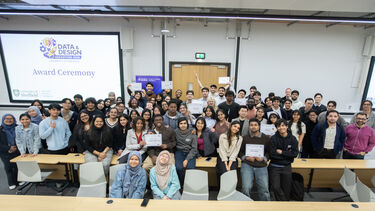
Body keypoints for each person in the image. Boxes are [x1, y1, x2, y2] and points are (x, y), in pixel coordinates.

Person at [239, 118, 271, 201]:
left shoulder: (266, 138)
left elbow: (269, 152)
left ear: (259, 126)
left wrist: (264, 158)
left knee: (264, 188)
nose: (253, 127)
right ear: (249, 126)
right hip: (247, 164)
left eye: (255, 125)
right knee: (246, 187)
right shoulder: (244, 138)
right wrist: (246, 157)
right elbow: (240, 152)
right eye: (251, 125)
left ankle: (265, 206)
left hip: (261, 165)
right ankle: (246, 205)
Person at [268, 119, 298, 201]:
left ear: (287, 126)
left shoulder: (293, 139)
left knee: (286, 188)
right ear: (276, 128)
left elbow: (295, 154)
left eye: (283, 125)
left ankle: (283, 205)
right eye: (279, 126)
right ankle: (283, 202)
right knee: (275, 187)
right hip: (274, 167)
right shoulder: (273, 139)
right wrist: (288, 155)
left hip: (287, 167)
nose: (281, 128)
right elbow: (272, 154)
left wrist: (282, 152)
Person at [175, 117, 197, 185]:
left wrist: (187, 159)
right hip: (179, 151)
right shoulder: (175, 132)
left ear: (187, 124)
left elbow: (194, 148)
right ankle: (182, 184)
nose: (183, 125)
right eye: (181, 123)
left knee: (190, 169)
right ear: (178, 125)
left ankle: (190, 185)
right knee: (179, 168)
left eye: (185, 123)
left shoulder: (192, 132)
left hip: (190, 152)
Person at [0, 114, 20, 190]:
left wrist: (15, 147)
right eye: (6, 119)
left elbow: (22, 138)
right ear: (3, 120)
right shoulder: (1, 129)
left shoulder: (18, 127)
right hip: (4, 152)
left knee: (17, 166)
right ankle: (11, 183)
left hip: (17, 150)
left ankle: (17, 181)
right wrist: (9, 148)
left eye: (11, 118)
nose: (9, 120)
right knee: (8, 167)